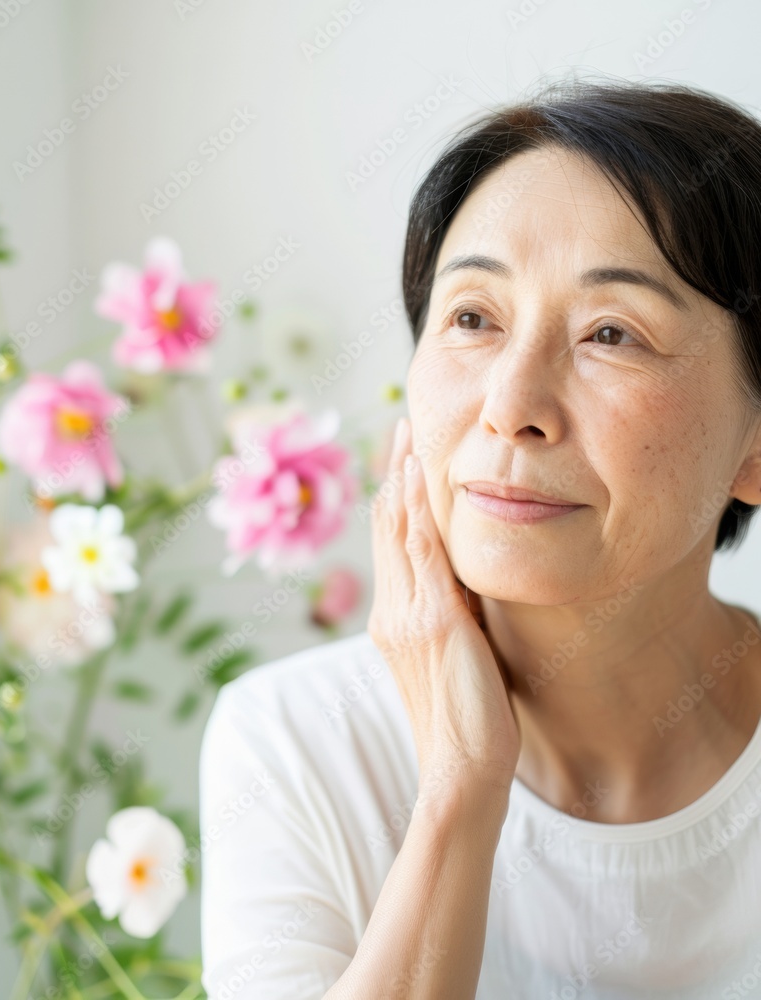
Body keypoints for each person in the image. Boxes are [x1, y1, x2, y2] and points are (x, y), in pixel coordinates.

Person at [199, 75, 761, 999]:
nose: (509, 408)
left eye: (611, 333)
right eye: (472, 319)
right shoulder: (295, 744)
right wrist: (460, 789)